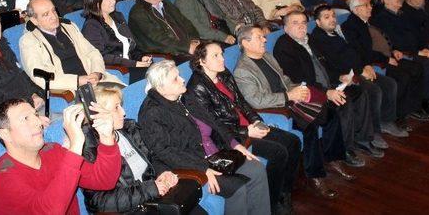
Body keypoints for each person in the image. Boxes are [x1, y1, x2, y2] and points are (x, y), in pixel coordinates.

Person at [138, 61, 271, 214]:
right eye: (175, 79)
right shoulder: (152, 113)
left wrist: (235, 144)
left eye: (179, 75)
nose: (182, 80)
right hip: (191, 164)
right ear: (161, 88)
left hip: (215, 154)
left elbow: (214, 122)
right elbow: (164, 152)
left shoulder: (184, 96)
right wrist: (202, 168)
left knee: (256, 168)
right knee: (237, 189)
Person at [233, 25, 350, 199]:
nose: (265, 39)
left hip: (290, 99)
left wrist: (299, 90)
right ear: (246, 43)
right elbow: (256, 100)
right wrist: (289, 95)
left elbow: (285, 79)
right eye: (259, 37)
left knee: (331, 112)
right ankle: (315, 175)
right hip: (276, 108)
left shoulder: (267, 56)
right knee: (309, 125)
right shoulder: (242, 70)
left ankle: (333, 158)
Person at [189, 41, 301, 213]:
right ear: (201, 61)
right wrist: (246, 131)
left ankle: (282, 193)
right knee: (278, 152)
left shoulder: (224, 74)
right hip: (232, 136)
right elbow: (215, 126)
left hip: (247, 127)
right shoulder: (197, 88)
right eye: (215, 56)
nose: (222, 59)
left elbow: (242, 101)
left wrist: (255, 120)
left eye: (222, 54)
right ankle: (273, 203)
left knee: (292, 141)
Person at [274, 11, 378, 164]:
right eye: (295, 23)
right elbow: (297, 80)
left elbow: (326, 64)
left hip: (329, 84)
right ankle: (344, 149)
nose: (301, 26)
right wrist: (326, 92)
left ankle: (362, 139)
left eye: (303, 22)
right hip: (311, 91)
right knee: (344, 102)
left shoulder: (309, 40)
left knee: (359, 92)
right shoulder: (284, 47)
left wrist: (339, 76)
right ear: (286, 28)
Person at [0, 99, 121, 215]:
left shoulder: (53, 151)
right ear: (5, 134)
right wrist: (75, 146)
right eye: (26, 118)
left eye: (36, 115)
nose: (38, 122)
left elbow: (104, 180)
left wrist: (106, 137)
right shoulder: (1, 181)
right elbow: (50, 211)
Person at [81, 84, 187, 213]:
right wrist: (150, 189)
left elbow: (153, 156)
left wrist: (162, 172)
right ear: (97, 115)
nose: (123, 112)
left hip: (154, 197)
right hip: (132, 209)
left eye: (121, 105)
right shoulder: (88, 148)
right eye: (116, 108)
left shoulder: (129, 129)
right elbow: (99, 201)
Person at [310, 5, 407, 145]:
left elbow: (354, 53)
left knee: (389, 84)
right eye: (327, 17)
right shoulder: (318, 39)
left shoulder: (334, 33)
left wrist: (365, 65)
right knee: (374, 91)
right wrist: (359, 71)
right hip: (346, 76)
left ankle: (386, 121)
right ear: (318, 22)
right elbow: (334, 64)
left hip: (358, 69)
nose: (332, 19)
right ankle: (373, 132)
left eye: (333, 16)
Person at [341, 0, 429, 124]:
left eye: (370, 4)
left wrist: (393, 50)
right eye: (366, 5)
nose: (370, 8)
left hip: (382, 57)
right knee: (402, 76)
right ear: (355, 9)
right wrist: (386, 59)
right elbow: (362, 52)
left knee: (416, 68)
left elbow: (383, 41)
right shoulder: (351, 26)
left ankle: (413, 107)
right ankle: (398, 115)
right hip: (373, 62)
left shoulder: (364, 22)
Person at [19, 0, 123, 92]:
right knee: (112, 104)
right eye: (46, 14)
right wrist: (78, 80)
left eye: (53, 10)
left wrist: (96, 72)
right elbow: (39, 75)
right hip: (70, 89)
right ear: (34, 20)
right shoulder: (28, 41)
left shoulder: (69, 27)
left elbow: (92, 52)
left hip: (94, 80)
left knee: (131, 95)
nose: (53, 16)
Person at [81, 0, 153, 82]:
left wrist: (141, 57)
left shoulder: (118, 17)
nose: (114, 1)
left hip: (131, 65)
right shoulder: (91, 26)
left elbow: (131, 45)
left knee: (160, 69)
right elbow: (101, 56)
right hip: (117, 69)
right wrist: (133, 63)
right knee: (156, 75)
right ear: (97, 3)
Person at [129, 0, 200, 62]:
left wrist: (195, 41)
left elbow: (187, 24)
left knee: (214, 49)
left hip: (185, 49)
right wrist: (187, 47)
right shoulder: (138, 13)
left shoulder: (167, 5)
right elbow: (158, 40)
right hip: (168, 56)